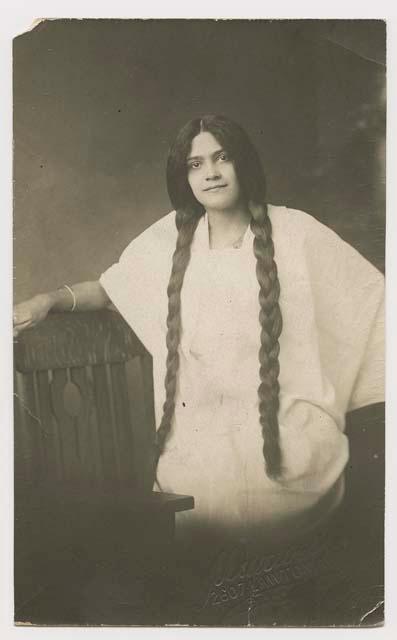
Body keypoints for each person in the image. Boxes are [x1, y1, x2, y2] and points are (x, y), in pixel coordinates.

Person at [13, 114, 384, 624]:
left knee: (277, 565)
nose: (210, 173)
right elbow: (113, 287)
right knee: (202, 541)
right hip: (200, 449)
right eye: (195, 163)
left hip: (287, 444)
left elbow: (370, 300)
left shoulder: (297, 232)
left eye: (222, 157)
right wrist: (50, 299)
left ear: (242, 163)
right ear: (183, 176)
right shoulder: (171, 238)